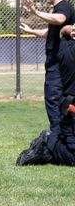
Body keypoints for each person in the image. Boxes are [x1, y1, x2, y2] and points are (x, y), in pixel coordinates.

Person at [20, 0, 75, 137]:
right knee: (59, 99)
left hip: (57, 62)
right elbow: (49, 32)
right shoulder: (58, 10)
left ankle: (58, 138)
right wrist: (32, 31)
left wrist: (36, 12)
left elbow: (60, 19)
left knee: (53, 97)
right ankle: (64, 136)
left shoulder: (63, 7)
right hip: (57, 61)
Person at [16, 23, 75, 166]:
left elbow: (55, 33)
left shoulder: (63, 43)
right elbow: (56, 33)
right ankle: (49, 141)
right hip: (71, 107)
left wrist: (65, 30)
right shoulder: (66, 48)